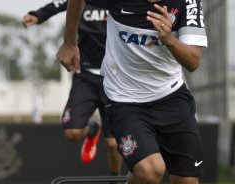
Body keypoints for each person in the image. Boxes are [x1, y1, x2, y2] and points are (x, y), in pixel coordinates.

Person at [56, 0, 208, 184]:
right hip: (124, 100)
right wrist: (70, 43)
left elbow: (193, 61)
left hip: (172, 96)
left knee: (187, 181)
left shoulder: (188, 2)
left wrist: (168, 39)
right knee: (151, 170)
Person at [22, 0, 122, 179]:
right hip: (85, 75)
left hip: (115, 78)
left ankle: (115, 179)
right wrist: (37, 15)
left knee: (113, 144)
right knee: (72, 133)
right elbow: (59, 4)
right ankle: (92, 129)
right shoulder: (81, 2)